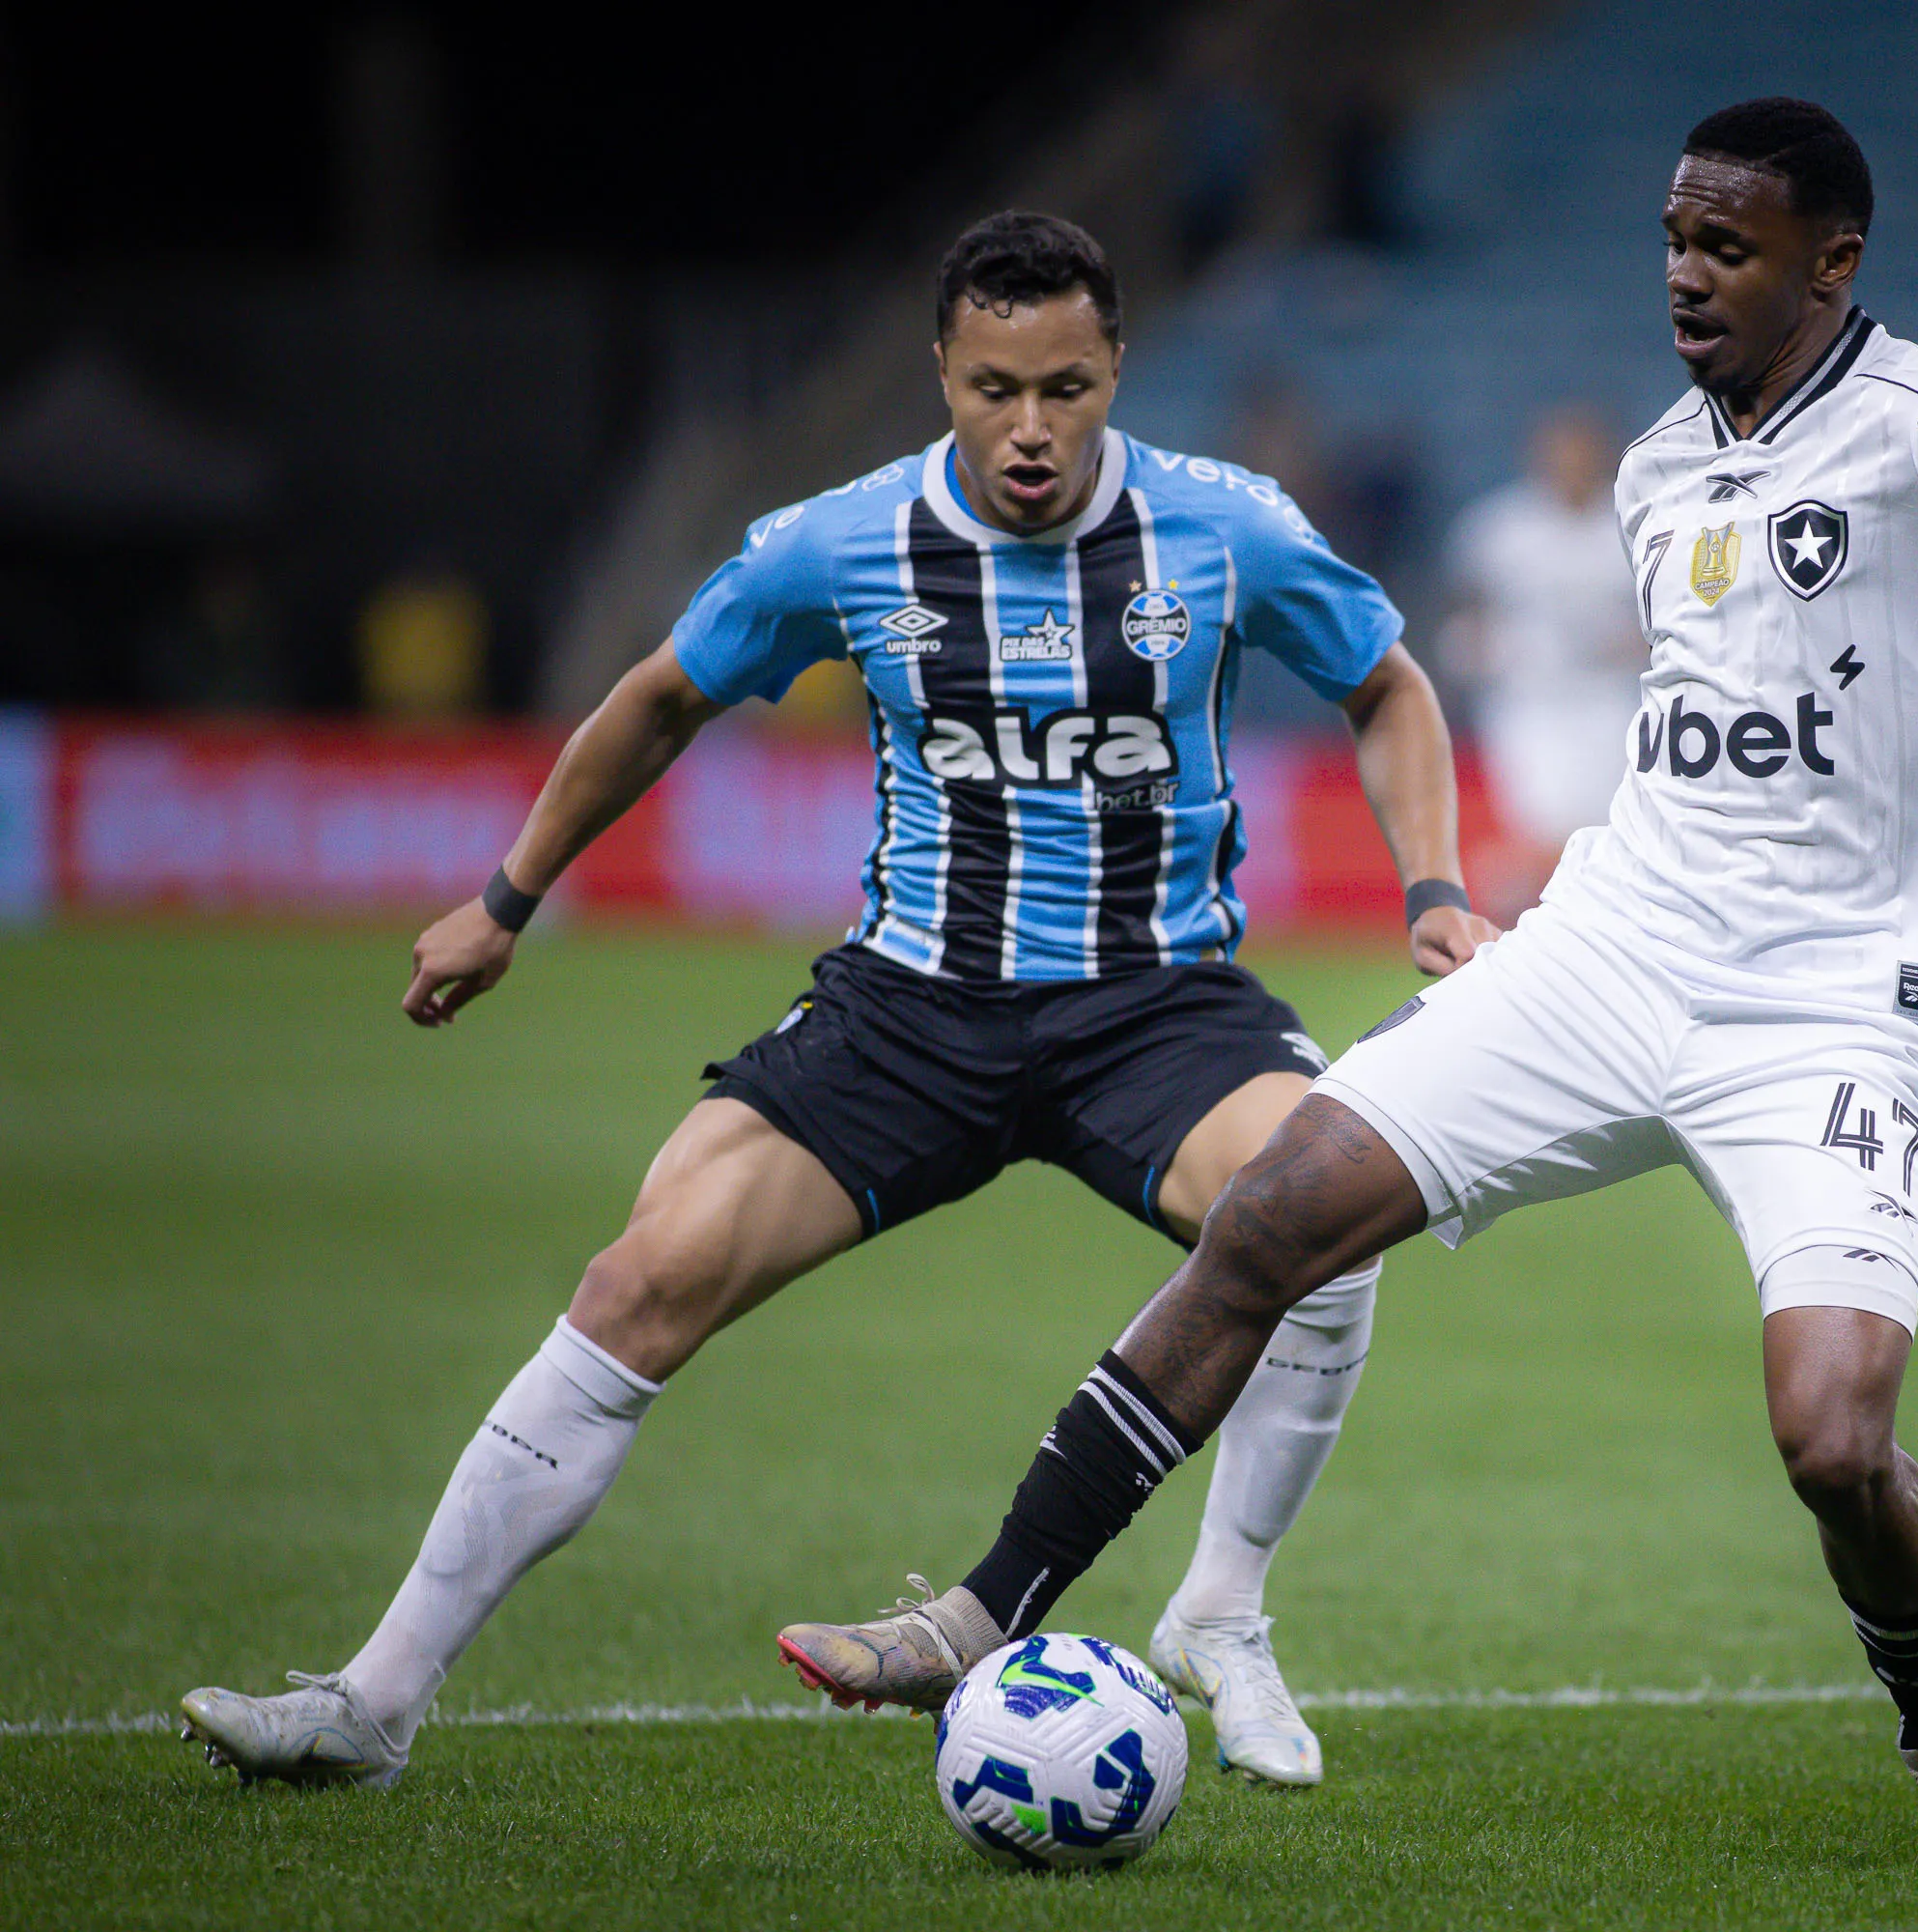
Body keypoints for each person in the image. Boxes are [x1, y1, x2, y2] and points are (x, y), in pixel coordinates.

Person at [781, 101, 1918, 1880]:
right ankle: (982, 1614)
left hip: (1832, 1008)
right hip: (1614, 948)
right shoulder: (1659, 469)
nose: (1686, 274)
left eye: (1730, 247)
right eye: (1675, 239)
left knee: (1835, 1439)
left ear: (1832, 262)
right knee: (1273, 1214)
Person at [174, 212, 1495, 1792]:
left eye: (1065, 388)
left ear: (1116, 369)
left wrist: (1432, 887)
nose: (1029, 427)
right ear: (941, 370)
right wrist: (506, 898)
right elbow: (661, 698)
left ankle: (1222, 1611)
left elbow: (1387, 683)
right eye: (994, 388)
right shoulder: (841, 542)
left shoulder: (1223, 530)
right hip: (909, 1011)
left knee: (1330, 1210)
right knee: (639, 1281)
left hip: (1158, 1005)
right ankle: (371, 1705)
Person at [1442, 404, 1646, 882]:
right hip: (1528, 702)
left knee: (1606, 823)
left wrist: (1628, 645)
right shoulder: (1498, 528)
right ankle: (1530, 904)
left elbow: (1664, 621)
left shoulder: (1634, 523)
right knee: (1542, 822)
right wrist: (1483, 651)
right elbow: (1465, 616)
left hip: (1612, 700)